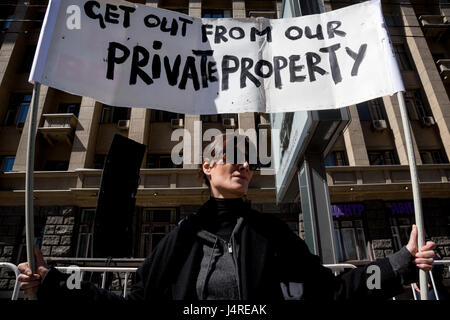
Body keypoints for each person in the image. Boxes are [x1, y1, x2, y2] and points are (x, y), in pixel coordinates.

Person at [18, 133, 436, 300]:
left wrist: (399, 263)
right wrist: (51, 282)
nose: (242, 166)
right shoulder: (180, 236)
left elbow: (329, 291)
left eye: (249, 162)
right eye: (230, 158)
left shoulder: (271, 232)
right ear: (205, 166)